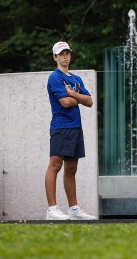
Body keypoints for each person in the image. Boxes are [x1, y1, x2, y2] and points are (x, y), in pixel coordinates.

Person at [45, 41, 96, 220]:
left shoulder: (76, 79)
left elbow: (90, 101)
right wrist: (79, 98)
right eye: (61, 53)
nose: (65, 56)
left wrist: (73, 94)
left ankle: (73, 210)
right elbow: (64, 103)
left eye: (67, 53)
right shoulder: (55, 77)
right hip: (60, 127)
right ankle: (52, 210)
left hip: (75, 127)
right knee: (55, 165)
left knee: (71, 168)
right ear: (55, 57)